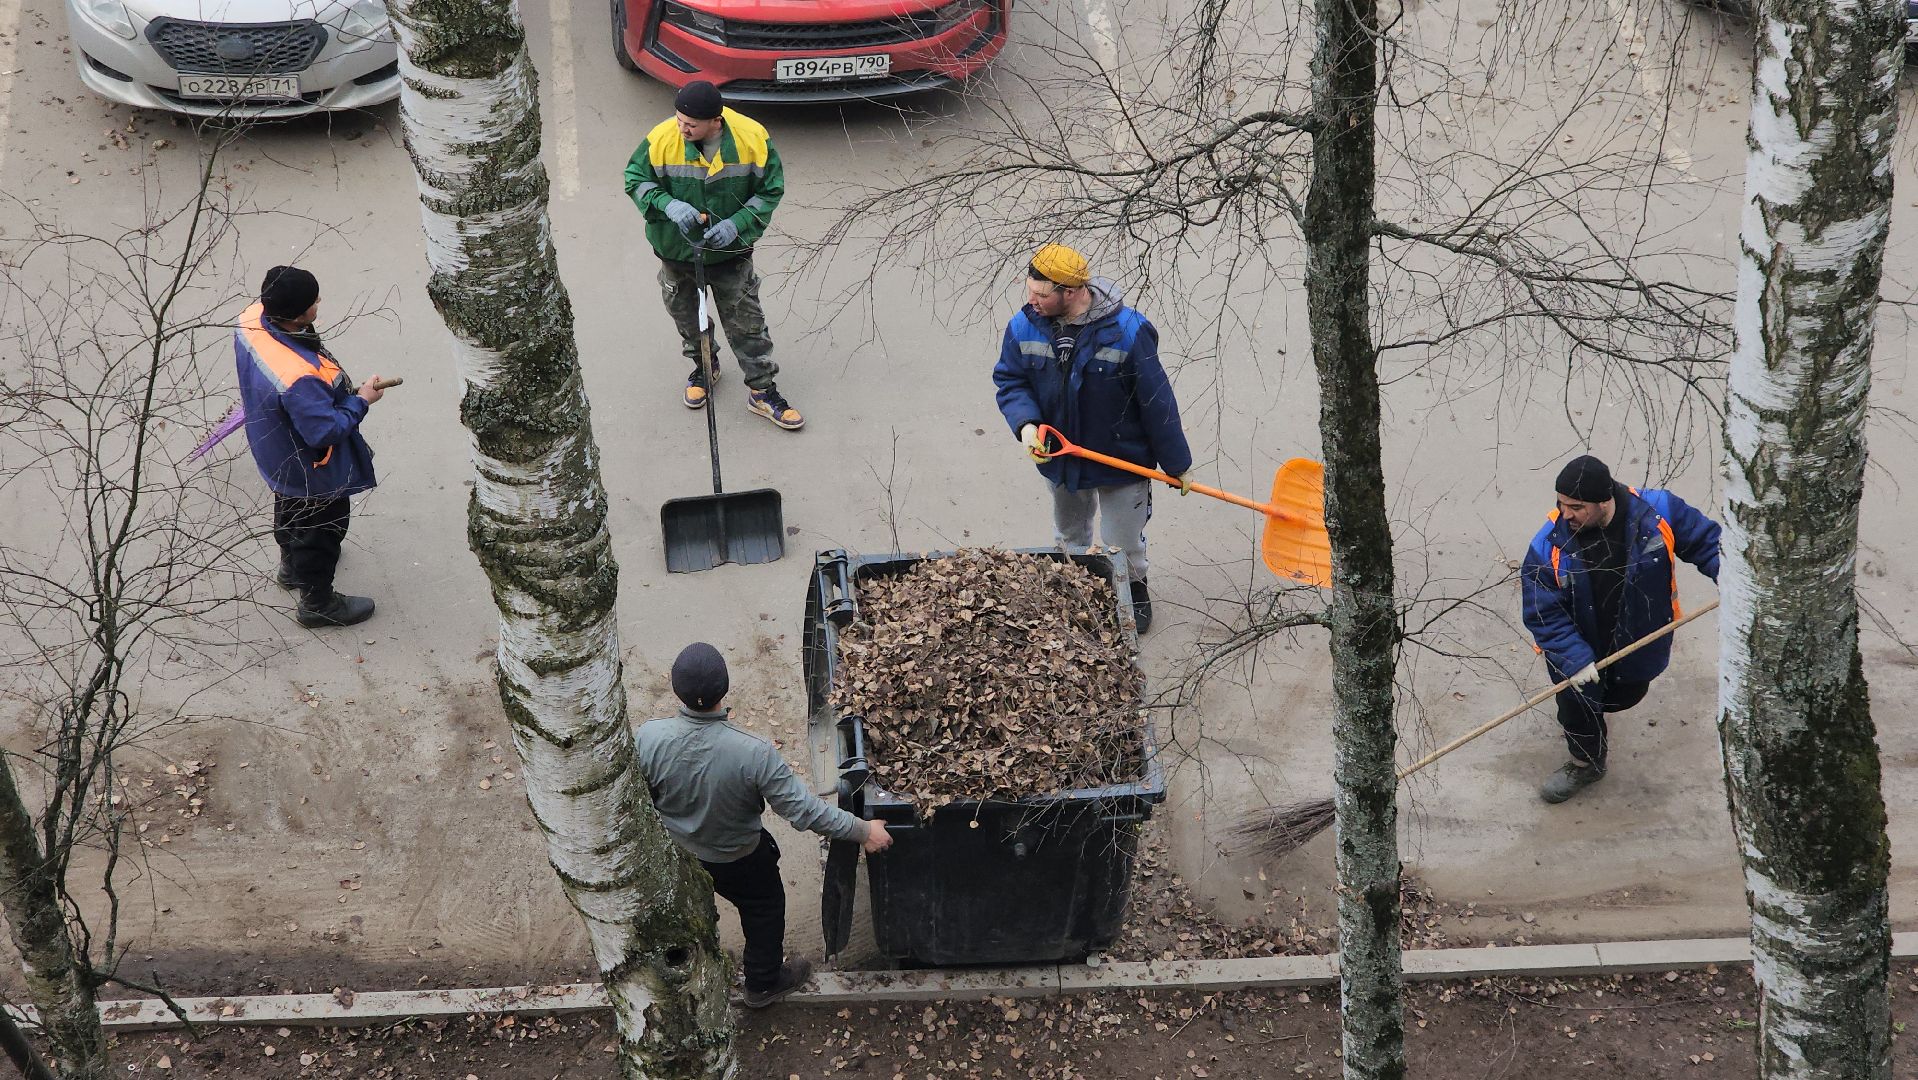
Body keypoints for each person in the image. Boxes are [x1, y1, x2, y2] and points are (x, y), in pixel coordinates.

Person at [633, 643, 892, 1008]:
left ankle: (686, 975)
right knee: (764, 908)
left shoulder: (648, 738)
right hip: (739, 859)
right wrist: (864, 830)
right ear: (725, 687)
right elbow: (803, 811)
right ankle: (763, 981)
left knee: (688, 910)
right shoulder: (753, 753)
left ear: (676, 688)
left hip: (677, 854)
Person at [993, 243, 1192, 633]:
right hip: (1061, 457)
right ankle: (1073, 588)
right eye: (1029, 291)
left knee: (1122, 540)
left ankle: (1133, 588)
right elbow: (1011, 379)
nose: (1031, 301)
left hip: (1122, 459)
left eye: (1041, 295)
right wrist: (1027, 424)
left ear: (1070, 292)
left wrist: (1178, 464)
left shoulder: (1130, 332)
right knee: (1069, 534)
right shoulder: (1023, 327)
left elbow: (1157, 401)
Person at [1520, 455, 1720, 803]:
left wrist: (1737, 581)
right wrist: (1574, 660)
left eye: (1576, 506)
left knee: (1623, 696)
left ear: (1604, 501)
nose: (1565, 514)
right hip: (1577, 645)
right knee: (1578, 706)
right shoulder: (1548, 546)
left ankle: (1601, 708)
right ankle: (1585, 763)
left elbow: (1707, 544)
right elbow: (1543, 613)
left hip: (1639, 637)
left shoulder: (1659, 513)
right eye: (1561, 503)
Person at [622, 81, 802, 431]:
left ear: (715, 122)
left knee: (746, 323)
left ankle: (763, 392)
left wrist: (737, 224)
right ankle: (705, 368)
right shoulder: (662, 139)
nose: (682, 128)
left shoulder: (752, 139)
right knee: (689, 318)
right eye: (679, 119)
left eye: (690, 124)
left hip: (730, 257)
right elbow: (636, 179)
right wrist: (667, 204)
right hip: (677, 253)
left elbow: (770, 191)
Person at [235, 265, 384, 629]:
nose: (319, 302)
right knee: (322, 528)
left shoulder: (252, 318)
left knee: (288, 504)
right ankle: (317, 602)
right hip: (312, 467)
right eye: (314, 301)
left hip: (275, 447)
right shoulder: (299, 376)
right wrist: (361, 400)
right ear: (298, 314)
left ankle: (291, 567)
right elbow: (324, 432)